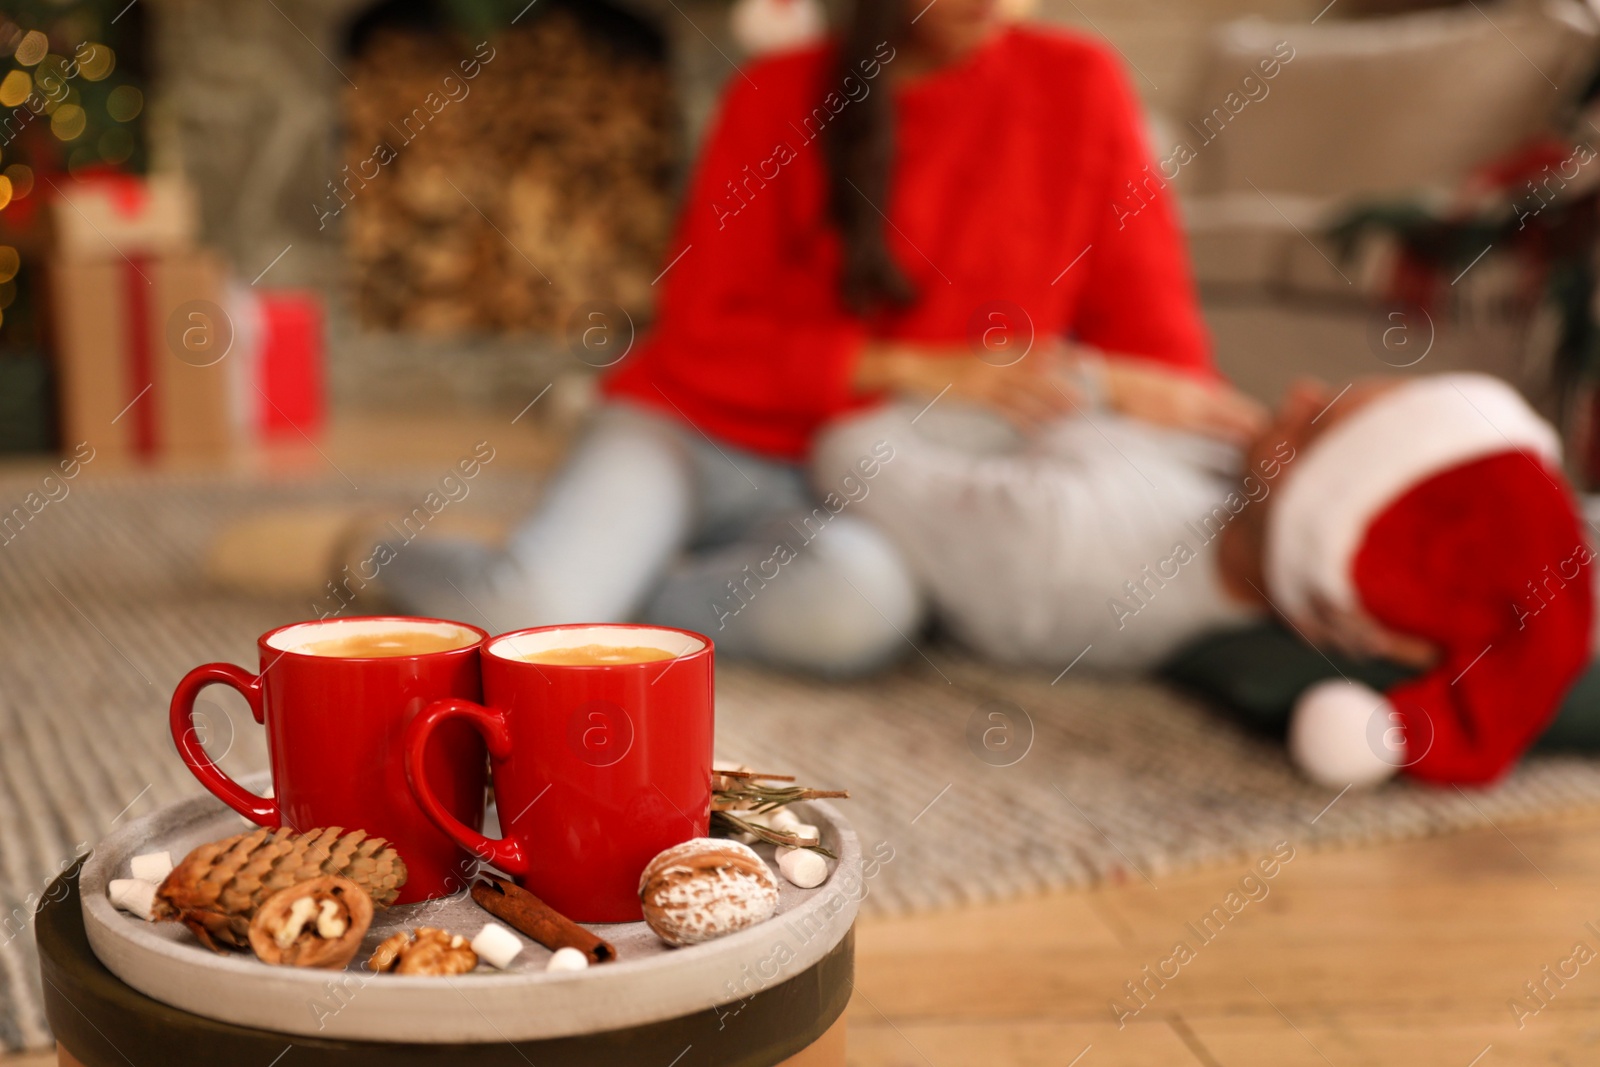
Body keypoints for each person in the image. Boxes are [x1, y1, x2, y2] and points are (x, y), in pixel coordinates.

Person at [382, 0, 1264, 675]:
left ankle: (619, 587)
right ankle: (376, 550)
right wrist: (903, 365)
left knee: (857, 612)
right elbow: (697, 337)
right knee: (532, 609)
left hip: (869, 490)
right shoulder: (774, 93)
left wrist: (1258, 457)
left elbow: (1160, 354)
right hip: (697, 431)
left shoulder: (1079, 85)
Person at [813, 373, 1595, 785]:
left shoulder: (1062, 540)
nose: (1294, 392)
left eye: (1314, 421)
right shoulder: (1238, 476)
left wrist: (1086, 382)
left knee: (839, 589)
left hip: (820, 487)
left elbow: (845, 446)